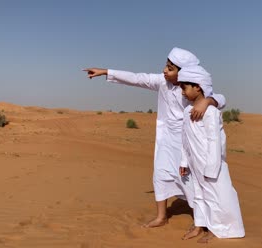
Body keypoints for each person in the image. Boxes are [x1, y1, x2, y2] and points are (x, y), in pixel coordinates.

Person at [84, 47, 226, 228]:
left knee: (190, 181)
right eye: (166, 66)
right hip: (166, 140)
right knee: (160, 175)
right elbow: (136, 78)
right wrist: (106, 72)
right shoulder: (161, 82)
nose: (164, 71)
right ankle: (161, 216)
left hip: (187, 142)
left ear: (183, 73)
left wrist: (207, 101)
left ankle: (200, 220)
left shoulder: (192, 86)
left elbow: (220, 98)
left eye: (170, 68)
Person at [178, 65, 245, 243]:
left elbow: (215, 140)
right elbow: (185, 138)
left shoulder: (211, 112)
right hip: (194, 162)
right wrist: (184, 161)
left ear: (197, 87)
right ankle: (200, 225)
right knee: (198, 194)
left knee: (217, 196)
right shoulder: (186, 111)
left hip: (211, 164)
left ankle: (218, 228)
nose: (182, 92)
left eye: (184, 87)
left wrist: (212, 167)